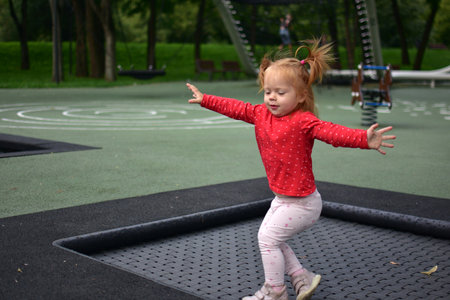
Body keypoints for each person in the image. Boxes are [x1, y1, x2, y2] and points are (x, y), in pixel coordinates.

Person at [186, 38, 396, 300]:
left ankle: (275, 291)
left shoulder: (304, 121)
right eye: (268, 91)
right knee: (273, 239)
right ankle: (300, 277)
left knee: (267, 239)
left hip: (303, 203)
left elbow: (333, 133)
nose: (272, 98)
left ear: (301, 96)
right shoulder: (260, 113)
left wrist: (364, 139)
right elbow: (237, 108)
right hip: (282, 198)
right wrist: (207, 99)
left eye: (281, 92)